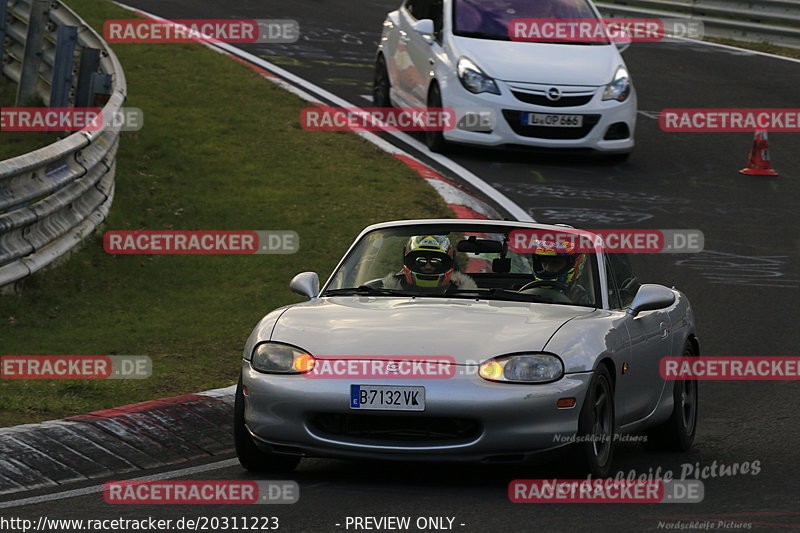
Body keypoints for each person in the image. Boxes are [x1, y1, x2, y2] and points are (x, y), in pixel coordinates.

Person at [381, 235, 477, 292]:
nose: (428, 266)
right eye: (420, 261)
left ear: (447, 264)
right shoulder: (381, 292)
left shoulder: (467, 295)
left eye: (436, 262)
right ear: (410, 262)